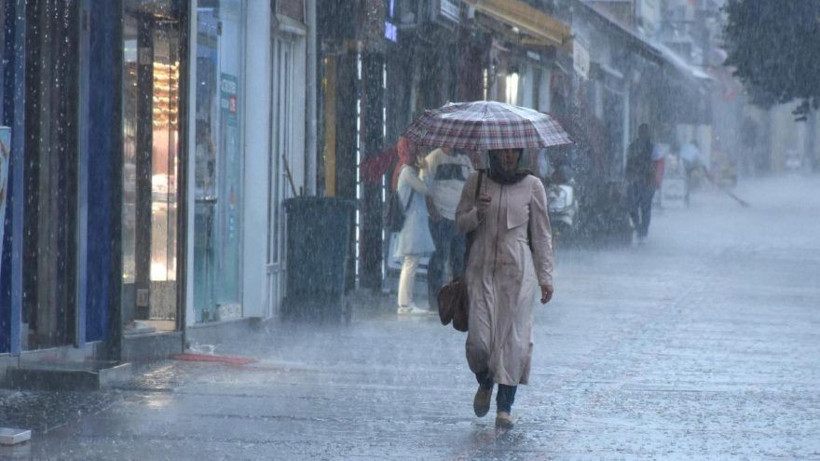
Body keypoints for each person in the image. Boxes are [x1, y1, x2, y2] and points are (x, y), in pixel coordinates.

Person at [455, 148, 554, 430]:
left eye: (513, 152)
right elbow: (459, 222)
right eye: (503, 152)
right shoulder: (476, 181)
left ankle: (504, 407)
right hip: (481, 270)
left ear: (520, 153)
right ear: (494, 153)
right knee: (480, 343)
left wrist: (546, 276)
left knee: (514, 342)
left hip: (518, 274)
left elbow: (542, 234)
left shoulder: (533, 185)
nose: (508, 157)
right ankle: (485, 380)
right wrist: (477, 213)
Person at [420, 146, 474, 312]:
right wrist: (432, 211)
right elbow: (425, 186)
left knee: (459, 260)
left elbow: (472, 186)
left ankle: (457, 299)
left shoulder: (465, 161)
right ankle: (435, 301)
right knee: (438, 259)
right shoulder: (434, 158)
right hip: (441, 216)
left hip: (459, 218)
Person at [392, 142, 436, 315]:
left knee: (410, 262)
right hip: (411, 223)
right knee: (410, 262)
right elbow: (425, 189)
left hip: (412, 223)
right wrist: (425, 170)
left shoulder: (406, 171)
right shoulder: (408, 172)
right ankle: (405, 304)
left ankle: (406, 302)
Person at [625, 124, 659, 241]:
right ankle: (639, 229)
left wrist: (652, 179)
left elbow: (655, 165)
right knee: (633, 207)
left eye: (645, 132)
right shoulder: (633, 146)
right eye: (641, 131)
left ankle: (643, 232)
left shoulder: (652, 148)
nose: (643, 134)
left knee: (645, 208)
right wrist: (630, 177)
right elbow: (628, 164)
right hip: (636, 181)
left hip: (647, 182)